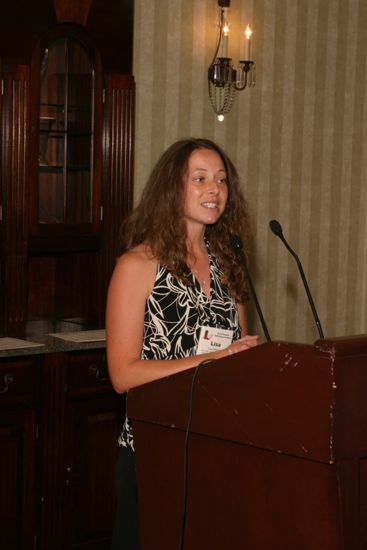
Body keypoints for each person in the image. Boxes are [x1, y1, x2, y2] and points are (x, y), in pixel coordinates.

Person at [106, 137, 260, 549]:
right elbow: (122, 375)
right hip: (155, 451)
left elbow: (240, 354)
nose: (215, 189)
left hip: (218, 450)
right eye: (201, 179)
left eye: (222, 180)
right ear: (172, 188)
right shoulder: (137, 265)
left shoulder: (230, 265)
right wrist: (212, 360)